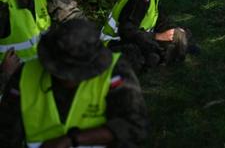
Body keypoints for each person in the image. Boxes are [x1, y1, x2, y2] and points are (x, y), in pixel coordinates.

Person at [0, 19, 148, 147]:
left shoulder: (116, 71)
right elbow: (6, 132)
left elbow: (135, 125)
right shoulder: (25, 75)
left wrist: (71, 140)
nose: (69, 79)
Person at [0, 0, 84, 91]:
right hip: (11, 85)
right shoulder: (3, 6)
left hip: (39, 77)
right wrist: (5, 71)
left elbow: (74, 16)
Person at [100, 0, 194, 73]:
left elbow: (161, 22)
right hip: (114, 43)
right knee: (139, 54)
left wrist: (174, 31)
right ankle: (160, 56)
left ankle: (164, 54)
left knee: (181, 33)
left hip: (139, 38)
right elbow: (126, 31)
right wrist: (158, 37)